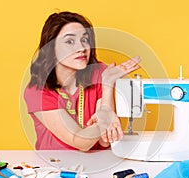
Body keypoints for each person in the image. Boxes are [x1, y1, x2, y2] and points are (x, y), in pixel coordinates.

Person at [24, 11, 140, 151]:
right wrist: (104, 117)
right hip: (55, 165)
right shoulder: (37, 90)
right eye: (70, 41)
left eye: (84, 40)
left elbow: (105, 141)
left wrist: (108, 85)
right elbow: (80, 142)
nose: (82, 48)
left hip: (98, 161)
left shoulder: (101, 74)